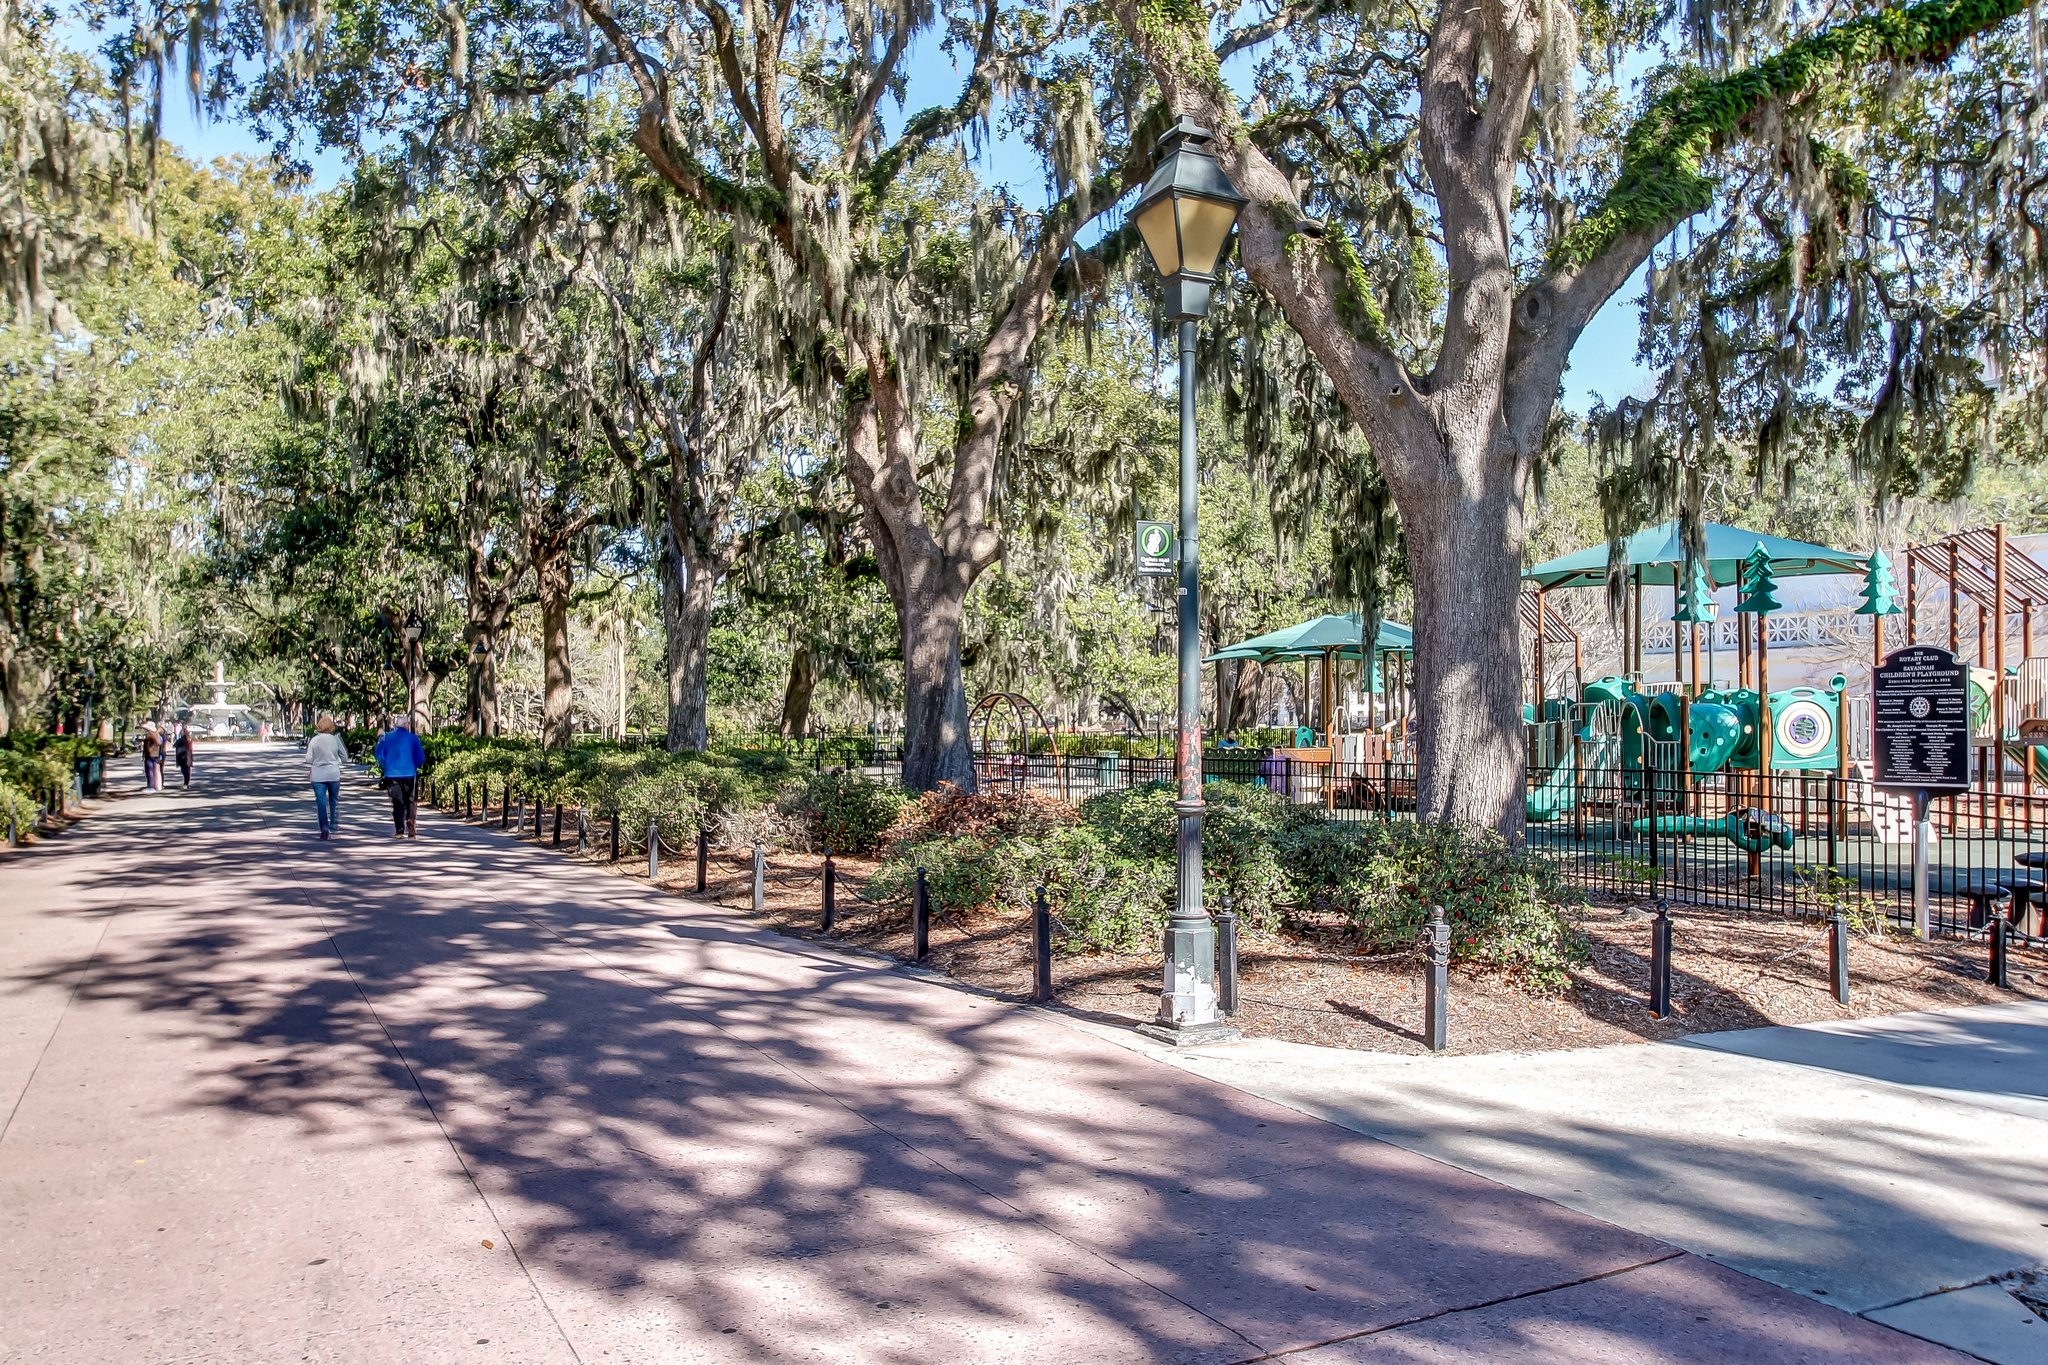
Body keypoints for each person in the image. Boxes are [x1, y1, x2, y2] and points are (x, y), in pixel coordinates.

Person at [372, 714, 426, 838]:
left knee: (397, 802)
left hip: (392, 773)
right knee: (410, 800)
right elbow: (420, 757)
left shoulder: (387, 737)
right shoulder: (413, 738)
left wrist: (385, 765)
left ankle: (399, 830)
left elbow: (378, 753)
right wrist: (414, 766)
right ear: (406, 725)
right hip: (409, 773)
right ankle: (411, 820)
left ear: (396, 725)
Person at [305, 716, 349, 839]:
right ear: (331, 727)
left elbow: (308, 759)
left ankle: (324, 828)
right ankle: (334, 826)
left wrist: (317, 760)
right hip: (333, 774)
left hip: (318, 775)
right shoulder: (335, 740)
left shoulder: (314, 740)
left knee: (321, 803)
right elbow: (345, 757)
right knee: (334, 801)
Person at [140, 721, 163, 792]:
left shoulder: (152, 734)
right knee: (151, 770)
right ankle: (152, 785)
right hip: (152, 754)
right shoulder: (153, 734)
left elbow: (159, 742)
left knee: (150, 770)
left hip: (151, 754)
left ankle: (151, 786)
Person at [172, 722, 194, 788]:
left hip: (182, 756)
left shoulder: (181, 740)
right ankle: (187, 783)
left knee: (184, 770)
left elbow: (174, 745)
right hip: (189, 756)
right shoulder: (189, 739)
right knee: (188, 770)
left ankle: (186, 783)